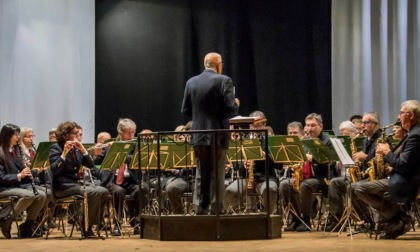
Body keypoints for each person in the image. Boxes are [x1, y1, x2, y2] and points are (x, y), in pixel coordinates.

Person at [181, 52, 239, 215]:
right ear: (218, 65)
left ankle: (200, 207)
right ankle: (216, 208)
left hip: (198, 133)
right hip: (217, 133)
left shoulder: (191, 82)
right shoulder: (224, 80)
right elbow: (230, 108)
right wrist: (236, 104)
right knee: (217, 172)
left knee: (201, 171)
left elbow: (185, 109)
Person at [356, 100, 420, 239]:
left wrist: (387, 152)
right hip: (401, 176)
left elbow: (403, 165)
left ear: (411, 115)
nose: (398, 117)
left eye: (401, 113)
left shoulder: (415, 135)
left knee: (360, 188)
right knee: (358, 187)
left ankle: (397, 217)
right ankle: (394, 219)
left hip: (406, 181)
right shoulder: (412, 133)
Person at [49, 121, 109, 237]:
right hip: (62, 186)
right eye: (75, 133)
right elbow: (54, 170)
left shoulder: (76, 149)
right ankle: (86, 227)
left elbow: (91, 166)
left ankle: (90, 224)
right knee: (92, 192)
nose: (77, 135)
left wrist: (84, 151)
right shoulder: (56, 148)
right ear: (66, 135)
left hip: (75, 184)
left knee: (104, 191)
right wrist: (64, 154)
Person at [325, 112, 383, 232]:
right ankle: (337, 219)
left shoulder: (381, 139)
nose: (363, 126)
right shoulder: (364, 140)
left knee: (352, 187)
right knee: (335, 182)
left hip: (376, 176)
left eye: (366, 123)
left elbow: (381, 161)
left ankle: (368, 220)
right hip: (363, 175)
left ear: (376, 124)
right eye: (363, 123)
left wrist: (365, 157)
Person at [281, 113, 335, 232]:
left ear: (321, 126)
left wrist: (313, 159)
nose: (309, 129)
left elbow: (331, 162)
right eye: (308, 125)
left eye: (313, 125)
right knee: (285, 185)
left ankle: (306, 220)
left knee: (305, 186)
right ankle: (295, 218)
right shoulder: (304, 141)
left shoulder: (328, 141)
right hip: (305, 176)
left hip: (322, 177)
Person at [94, 118, 147, 236]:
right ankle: (117, 223)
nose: (132, 135)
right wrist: (96, 152)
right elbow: (96, 162)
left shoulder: (135, 146)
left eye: (133, 132)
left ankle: (137, 222)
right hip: (113, 181)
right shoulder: (109, 145)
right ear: (121, 132)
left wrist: (122, 153)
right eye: (129, 132)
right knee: (119, 191)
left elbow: (137, 161)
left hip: (130, 180)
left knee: (142, 188)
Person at [224, 111, 281, 214]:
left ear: (264, 125)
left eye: (259, 125)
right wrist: (243, 164)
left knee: (270, 189)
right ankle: (237, 217)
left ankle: (270, 218)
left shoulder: (271, 141)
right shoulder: (242, 140)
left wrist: (264, 156)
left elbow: (279, 165)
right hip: (245, 178)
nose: (256, 128)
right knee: (230, 191)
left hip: (266, 178)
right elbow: (236, 165)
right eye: (254, 125)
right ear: (250, 125)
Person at [0, 124, 47, 238]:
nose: (18, 137)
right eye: (15, 134)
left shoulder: (16, 151)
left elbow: (24, 172)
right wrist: (19, 175)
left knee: (42, 195)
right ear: (7, 136)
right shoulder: (1, 152)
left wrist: (36, 170)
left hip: (16, 186)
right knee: (29, 195)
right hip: (4, 187)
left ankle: (28, 225)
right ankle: (6, 220)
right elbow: (1, 177)